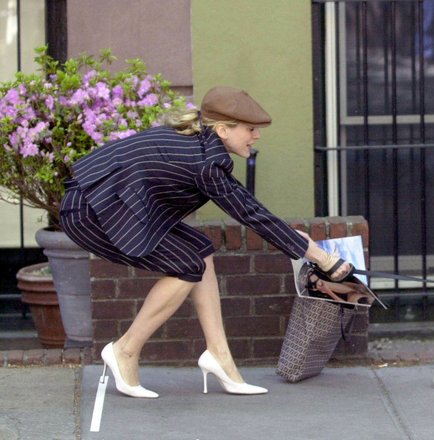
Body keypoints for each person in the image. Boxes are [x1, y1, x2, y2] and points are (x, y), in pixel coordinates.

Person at [59, 86, 352, 398]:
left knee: (199, 251)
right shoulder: (207, 163)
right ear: (223, 130)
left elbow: (250, 209)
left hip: (111, 205)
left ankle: (219, 356)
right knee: (187, 265)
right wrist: (322, 258)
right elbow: (250, 213)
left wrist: (298, 242)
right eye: (250, 129)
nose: (257, 136)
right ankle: (125, 351)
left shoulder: (200, 142)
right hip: (92, 211)